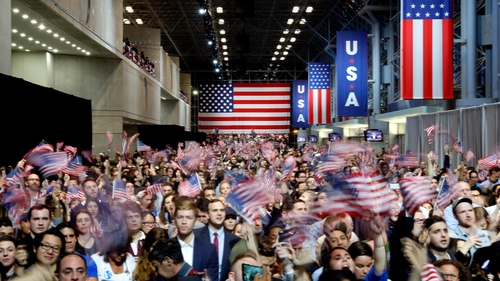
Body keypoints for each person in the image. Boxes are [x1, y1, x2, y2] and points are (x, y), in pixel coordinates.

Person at [194, 199, 240, 281]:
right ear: (207, 215)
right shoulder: (196, 236)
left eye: (221, 210)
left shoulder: (235, 241)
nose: (219, 213)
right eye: (215, 210)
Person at [174, 198, 219, 281]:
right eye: (180, 217)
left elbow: (213, 278)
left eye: (188, 218)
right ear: (175, 220)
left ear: (195, 221)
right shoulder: (165, 248)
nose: (184, 222)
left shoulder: (209, 250)